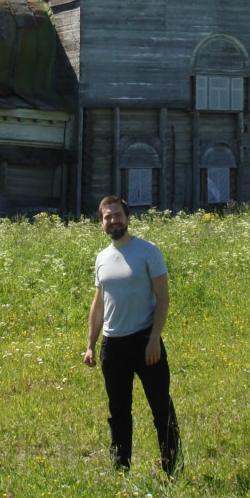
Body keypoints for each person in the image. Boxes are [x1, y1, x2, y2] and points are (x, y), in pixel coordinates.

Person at [83, 195, 181, 476]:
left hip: (144, 342)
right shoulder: (102, 258)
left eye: (117, 215)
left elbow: (163, 298)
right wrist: (90, 344)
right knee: (119, 412)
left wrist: (154, 339)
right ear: (102, 223)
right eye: (107, 217)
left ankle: (171, 470)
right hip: (112, 347)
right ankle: (121, 470)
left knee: (161, 407)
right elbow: (98, 304)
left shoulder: (148, 251)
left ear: (127, 218)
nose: (113, 220)